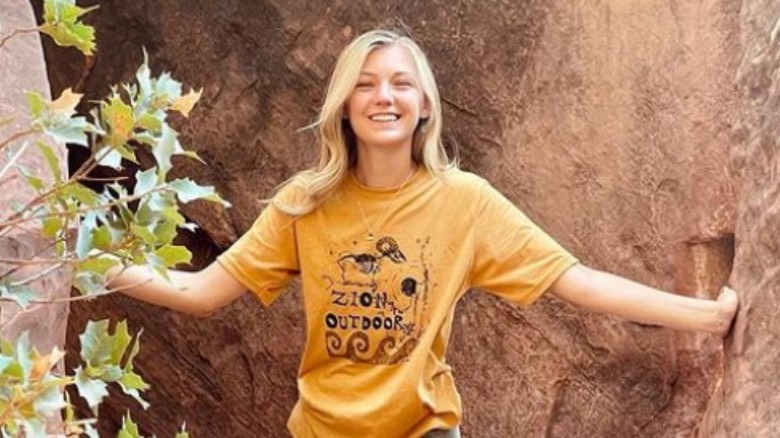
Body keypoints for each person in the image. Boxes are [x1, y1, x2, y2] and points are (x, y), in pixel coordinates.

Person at [108, 29, 739, 438]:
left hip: (424, 429)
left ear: (425, 105)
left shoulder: (463, 202)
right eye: (365, 84)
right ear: (344, 107)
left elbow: (576, 282)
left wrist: (706, 318)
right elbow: (200, 292)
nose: (384, 96)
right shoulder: (307, 203)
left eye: (400, 83)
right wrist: (84, 269)